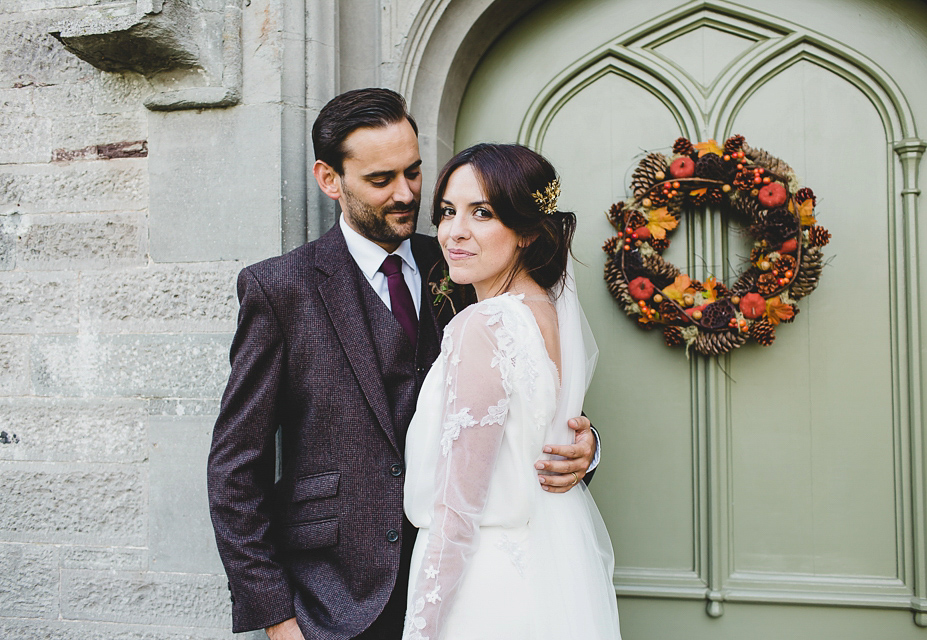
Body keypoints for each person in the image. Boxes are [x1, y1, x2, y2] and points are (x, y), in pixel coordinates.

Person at [207, 88, 599, 640]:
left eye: (414, 172)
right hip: (333, 600)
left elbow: (523, 394)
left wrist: (583, 448)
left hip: (468, 590)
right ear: (329, 179)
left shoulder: (466, 258)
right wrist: (275, 614)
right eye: (380, 179)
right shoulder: (280, 289)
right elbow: (233, 470)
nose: (406, 193)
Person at [402, 144, 621, 639]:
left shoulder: (482, 325)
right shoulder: (549, 314)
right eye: (447, 212)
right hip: (542, 579)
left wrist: (422, 628)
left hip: (480, 588)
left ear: (525, 231)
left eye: (482, 213)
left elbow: (457, 511)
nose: (455, 231)